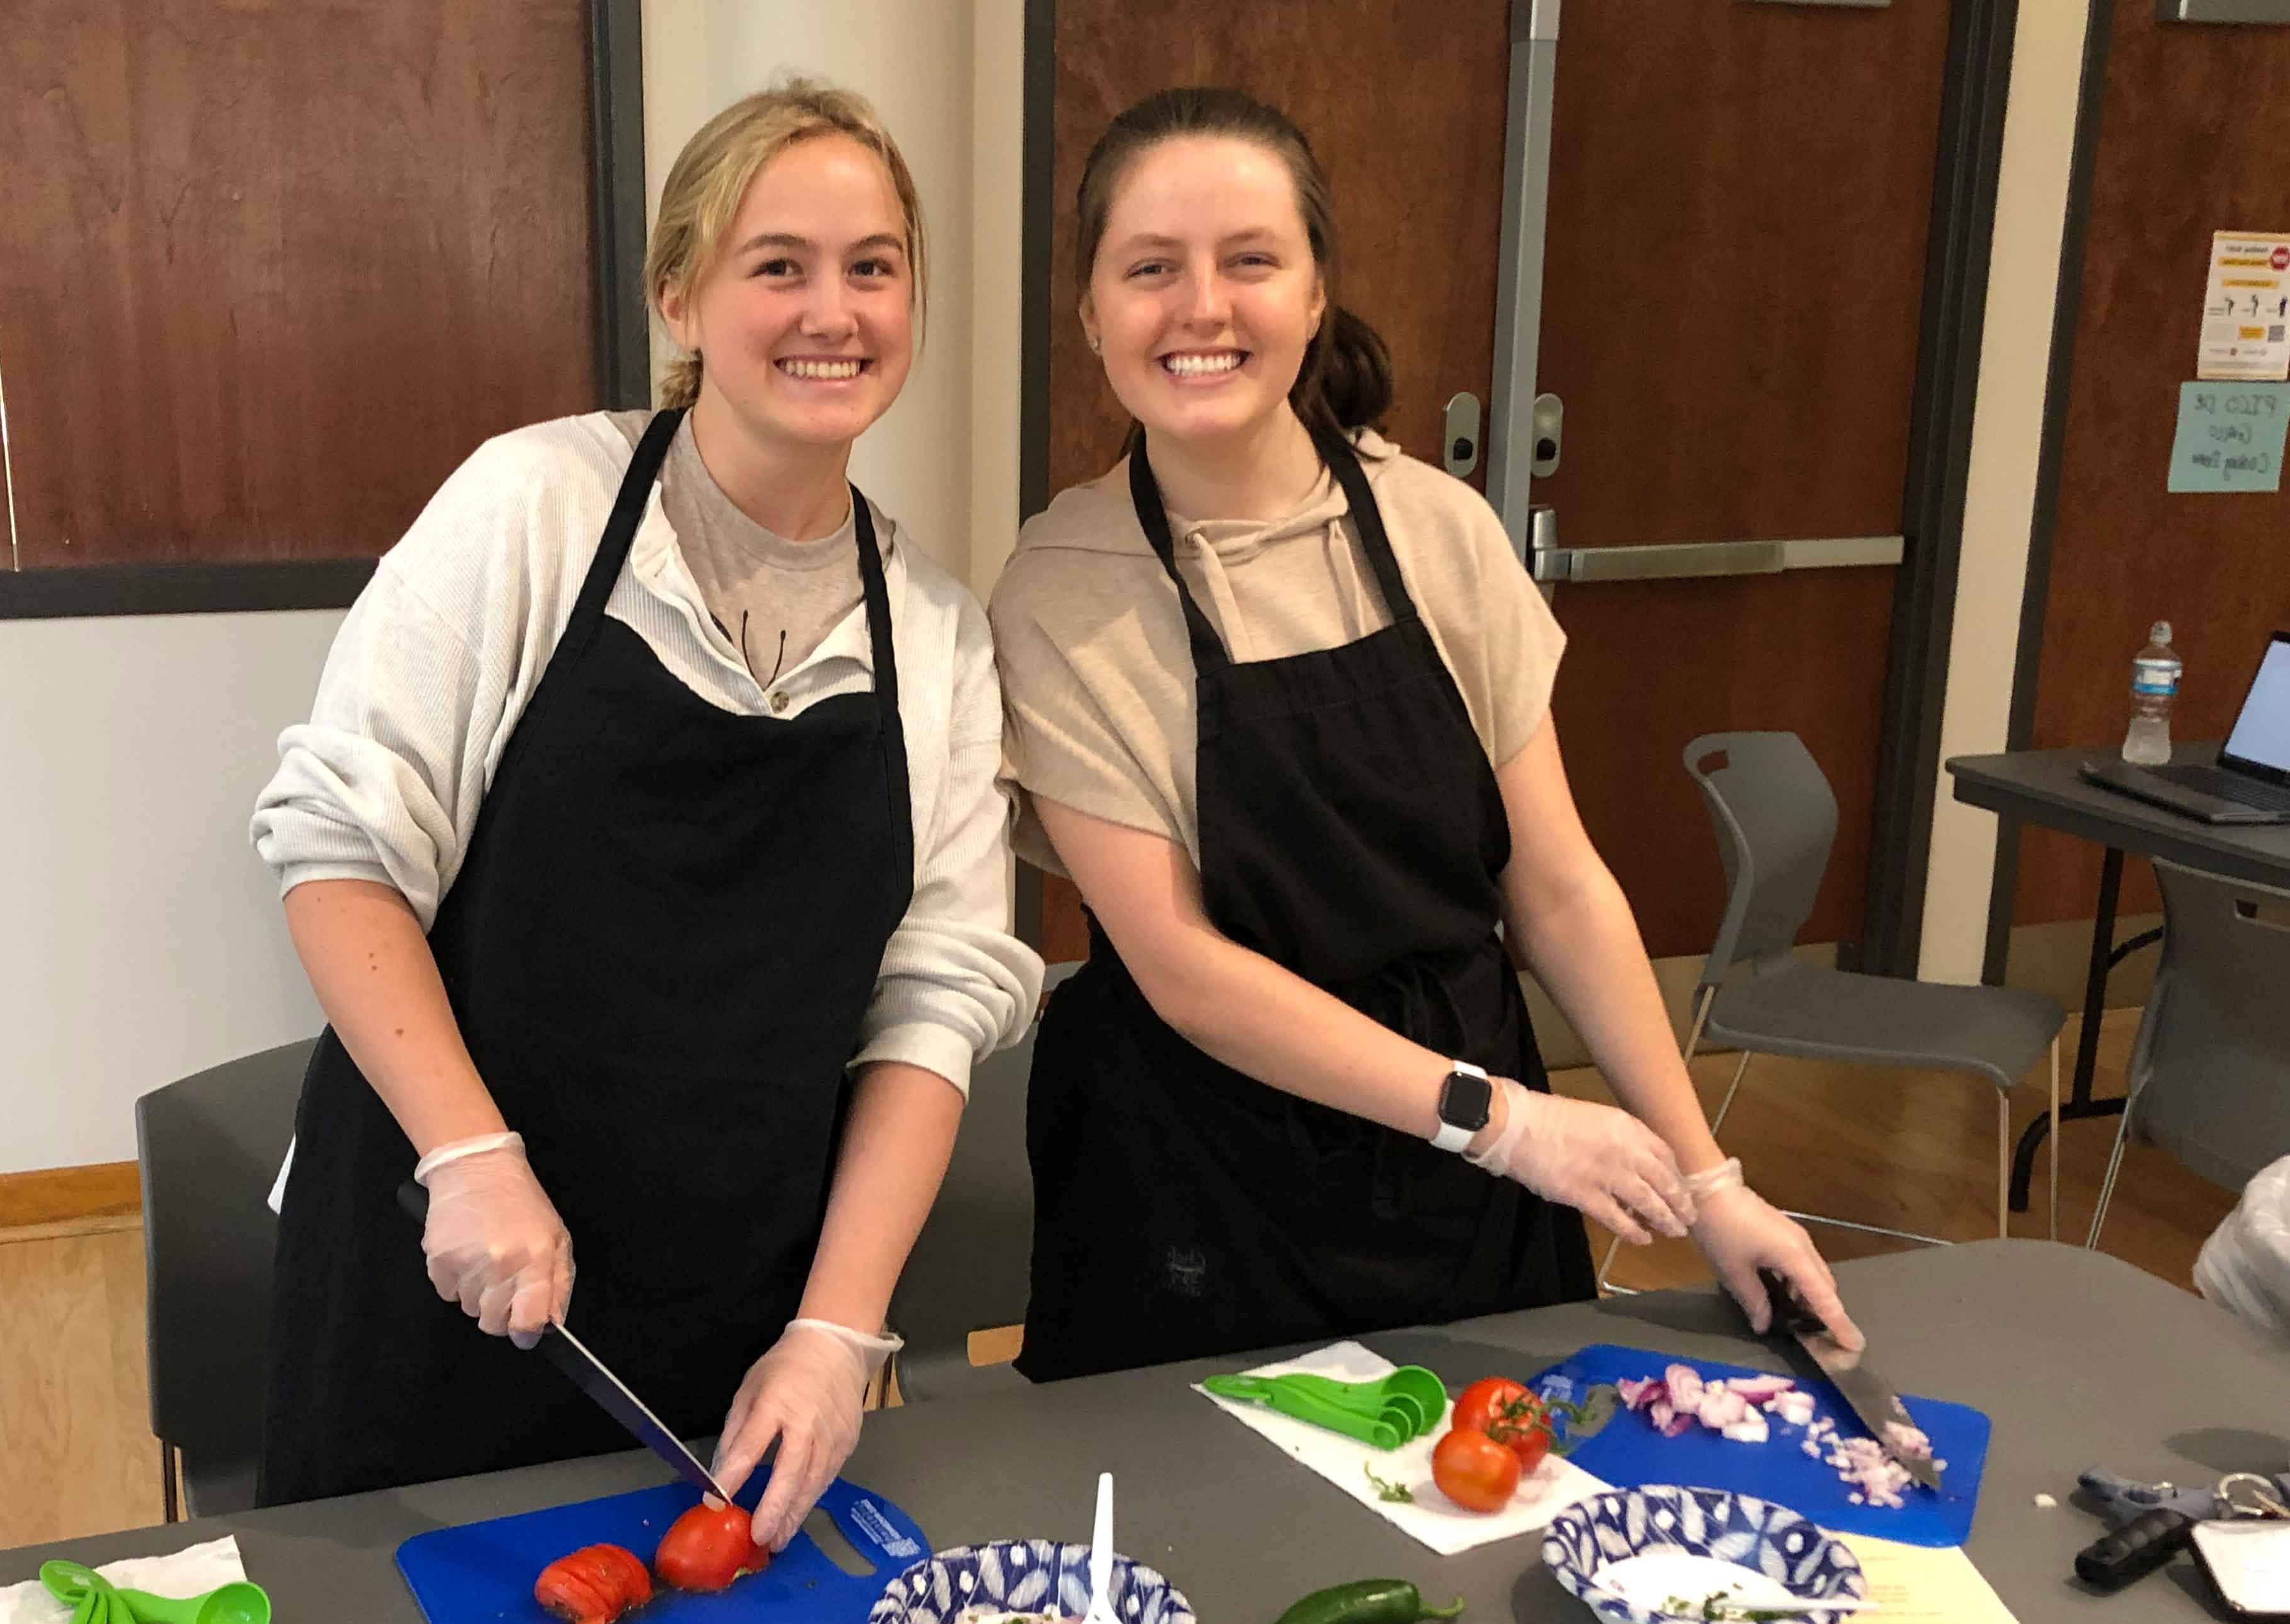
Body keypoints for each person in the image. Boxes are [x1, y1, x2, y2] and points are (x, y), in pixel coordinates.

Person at [249, 80, 1039, 1540]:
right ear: (680, 296)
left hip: (734, 1313)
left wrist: (838, 1331)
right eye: (778, 265)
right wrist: (472, 1159)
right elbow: (339, 849)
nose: (833, 310)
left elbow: (935, 1003)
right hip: (446, 1262)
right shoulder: (534, 508)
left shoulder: (934, 631)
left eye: (873, 267)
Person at [987, 87, 1857, 1383]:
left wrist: (1710, 1177)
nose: (1201, 308)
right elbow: (1183, 966)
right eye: (1151, 269)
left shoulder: (1438, 530)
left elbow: (1555, 886)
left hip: (1467, 1183)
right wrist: (1500, 1123)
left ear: (1317, 292)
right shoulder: (1061, 587)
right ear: (1092, 313)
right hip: (1201, 1183)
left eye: (1250, 260)